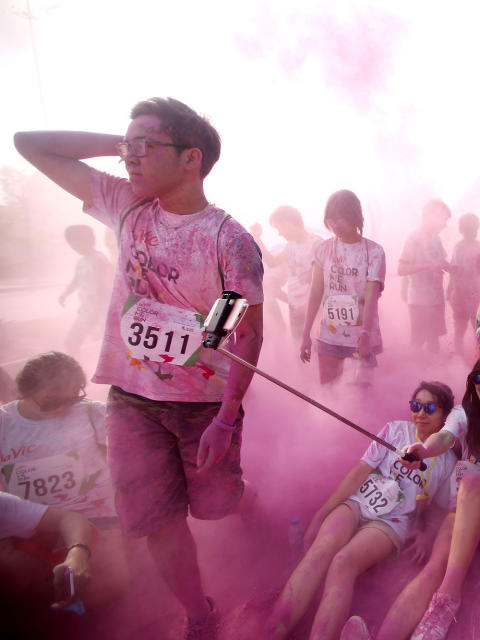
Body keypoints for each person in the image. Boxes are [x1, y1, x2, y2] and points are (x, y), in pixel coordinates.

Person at [14, 97, 264, 639]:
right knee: (159, 522)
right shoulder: (123, 202)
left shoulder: (230, 241)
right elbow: (28, 145)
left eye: (145, 145)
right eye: (129, 146)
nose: (131, 157)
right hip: (130, 401)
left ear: (191, 158)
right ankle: (200, 614)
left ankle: (247, 502)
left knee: (216, 506)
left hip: (201, 407)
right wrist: (117, 146)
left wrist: (225, 419)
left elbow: (243, 332)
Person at [341, 351, 480, 640]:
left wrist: (464, 499)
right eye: (478, 378)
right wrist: (424, 450)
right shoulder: (464, 412)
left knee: (471, 484)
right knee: (435, 566)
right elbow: (445, 437)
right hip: (467, 504)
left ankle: (447, 599)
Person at [267, 382, 458, 640]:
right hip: (358, 503)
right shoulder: (393, 430)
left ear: (445, 415)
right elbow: (359, 472)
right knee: (321, 550)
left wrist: (426, 533)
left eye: (429, 408)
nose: (420, 413)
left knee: (342, 562)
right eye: (415, 406)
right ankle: (272, 631)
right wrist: (323, 513)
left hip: (393, 522)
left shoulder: (449, 462)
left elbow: (440, 509)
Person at [0, 352, 115, 523]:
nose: (61, 407)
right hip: (36, 530)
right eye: (51, 400)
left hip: (101, 520)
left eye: (71, 400)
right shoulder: (4, 423)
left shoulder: (92, 413)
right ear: (26, 390)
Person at [299, 190, 385, 385]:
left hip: (361, 336)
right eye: (331, 220)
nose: (335, 225)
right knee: (328, 393)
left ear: (355, 217)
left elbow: (372, 297)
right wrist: (305, 334)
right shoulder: (323, 249)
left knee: (363, 395)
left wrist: (366, 334)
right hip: (329, 335)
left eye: (341, 219)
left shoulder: (374, 252)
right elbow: (315, 292)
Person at [252, 205, 322, 341]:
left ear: (288, 223)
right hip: (295, 308)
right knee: (299, 352)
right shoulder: (290, 246)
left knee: (316, 348)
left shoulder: (316, 244)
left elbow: (322, 281)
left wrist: (309, 305)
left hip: (314, 310)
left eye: (279, 227)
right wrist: (256, 237)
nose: (279, 233)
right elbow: (272, 261)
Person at [399, 199, 451, 352]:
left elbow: (442, 261)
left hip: (435, 299)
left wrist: (456, 269)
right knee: (418, 342)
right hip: (419, 300)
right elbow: (401, 269)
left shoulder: (436, 238)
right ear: (431, 216)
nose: (445, 224)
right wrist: (428, 266)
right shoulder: (414, 238)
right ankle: (415, 373)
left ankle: (433, 374)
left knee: (434, 340)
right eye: (443, 219)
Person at [58, 224, 112, 350]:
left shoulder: (99, 259)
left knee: (101, 344)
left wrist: (101, 308)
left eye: (77, 242)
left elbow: (108, 285)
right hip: (86, 309)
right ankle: (75, 368)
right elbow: (75, 280)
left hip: (100, 310)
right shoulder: (81, 261)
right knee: (72, 342)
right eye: (71, 244)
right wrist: (65, 294)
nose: (74, 247)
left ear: (89, 240)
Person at [447, 213, 480, 359]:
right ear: (463, 230)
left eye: (474, 228)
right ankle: (458, 358)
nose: (472, 231)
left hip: (475, 293)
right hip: (460, 293)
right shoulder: (458, 247)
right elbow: (453, 270)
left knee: (477, 328)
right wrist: (450, 289)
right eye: (469, 228)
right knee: (460, 328)